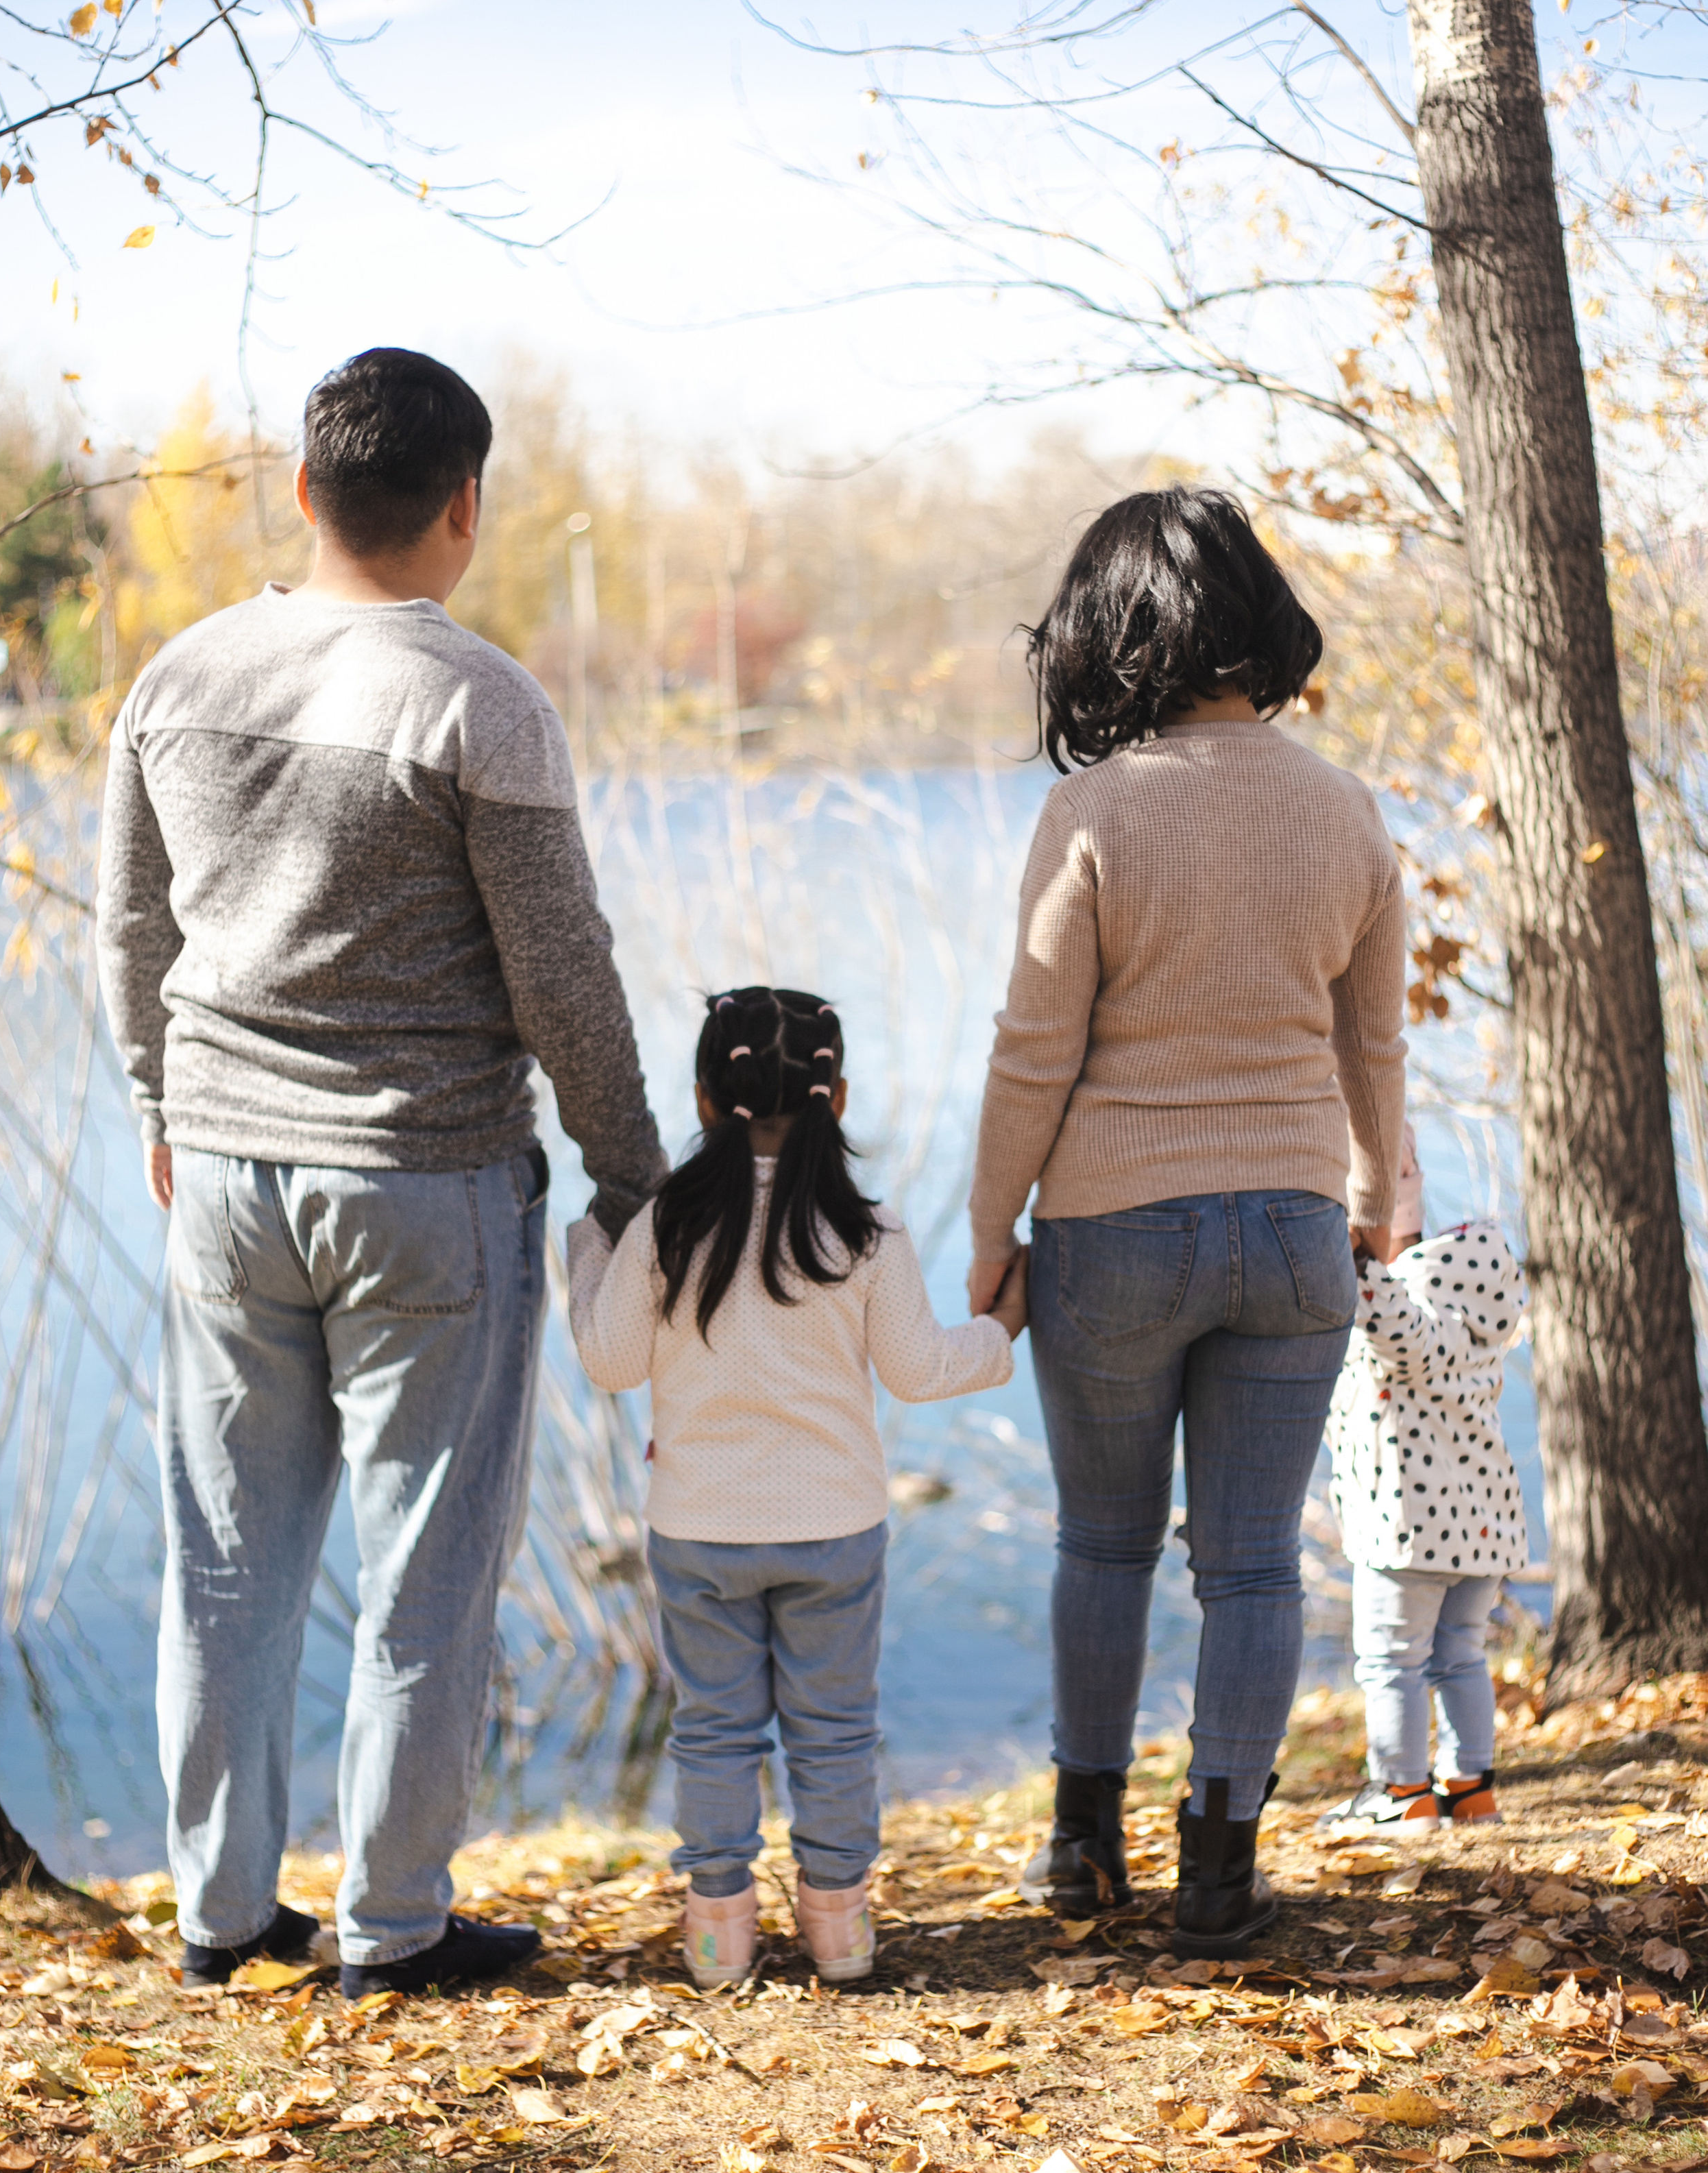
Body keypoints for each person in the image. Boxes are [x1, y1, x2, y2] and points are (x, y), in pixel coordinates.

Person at [96, 348, 666, 1999]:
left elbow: (131, 926)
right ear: (465, 505)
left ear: (301, 488)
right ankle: (393, 1927)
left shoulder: (177, 677)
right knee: (426, 1565)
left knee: (224, 1555)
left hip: (220, 1171)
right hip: (425, 1181)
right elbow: (564, 976)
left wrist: (158, 1095)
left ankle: (219, 1915)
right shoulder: (475, 697)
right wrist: (631, 1176)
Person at [968, 486, 1406, 1956]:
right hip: (1292, 1232)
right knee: (1255, 1564)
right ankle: (1220, 1874)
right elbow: (1373, 1048)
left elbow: (1034, 1045)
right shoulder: (1342, 808)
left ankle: (1079, 1847)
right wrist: (1377, 1198)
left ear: (1110, 631)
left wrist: (988, 1232)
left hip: (1112, 1229)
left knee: (1103, 1547)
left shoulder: (1093, 809)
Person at [568, 986, 1026, 1990]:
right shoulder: (866, 1232)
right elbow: (920, 1371)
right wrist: (1004, 1331)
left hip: (698, 1532)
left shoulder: (664, 1228)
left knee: (715, 1730)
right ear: (839, 1097)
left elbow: (609, 1360)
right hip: (836, 1529)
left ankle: (719, 1937)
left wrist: (584, 1250)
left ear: (700, 1101)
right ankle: (840, 1932)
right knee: (833, 1730)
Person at [1321, 1122, 1529, 1836]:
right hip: (1485, 1532)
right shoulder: (1478, 1317)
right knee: (1457, 1658)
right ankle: (1468, 1790)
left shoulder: (1419, 1316)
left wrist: (1354, 1259)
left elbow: (1398, 1332)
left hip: (1409, 1528)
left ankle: (1403, 1795)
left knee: (1389, 1663)